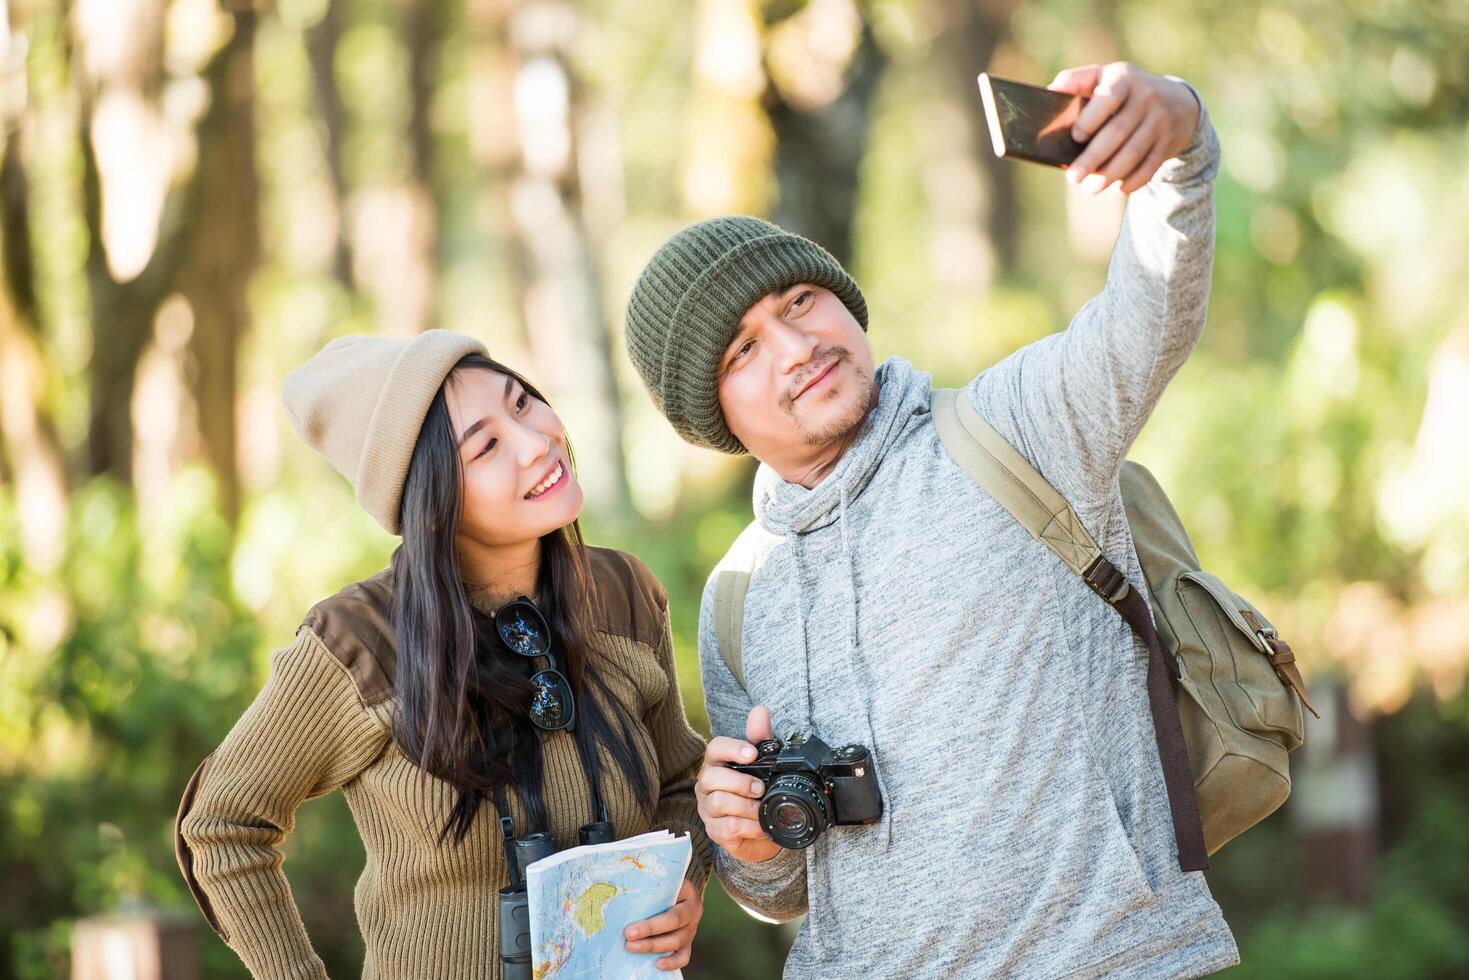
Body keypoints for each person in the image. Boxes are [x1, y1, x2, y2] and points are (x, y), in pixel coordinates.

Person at [622, 63, 1240, 977]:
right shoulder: (739, 594)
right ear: (710, 417)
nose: (797, 349)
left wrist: (1179, 139)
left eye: (801, 302)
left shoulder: (1016, 428)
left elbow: (1153, 305)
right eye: (744, 349)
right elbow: (788, 888)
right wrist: (747, 850)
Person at [175, 330, 711, 978]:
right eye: (485, 446)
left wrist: (681, 886)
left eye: (522, 404)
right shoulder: (362, 640)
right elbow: (223, 824)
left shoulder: (622, 594)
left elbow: (682, 782)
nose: (536, 441)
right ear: (431, 500)